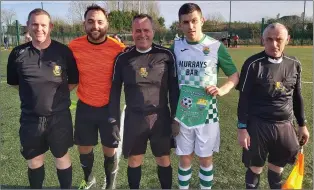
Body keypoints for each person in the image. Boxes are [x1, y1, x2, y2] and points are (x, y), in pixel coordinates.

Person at [6, 8, 78, 189]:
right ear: (28, 27)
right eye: (35, 25)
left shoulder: (63, 52)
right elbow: (15, 83)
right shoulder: (17, 54)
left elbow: (73, 82)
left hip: (59, 118)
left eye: (43, 25)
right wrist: (34, 96)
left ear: (50, 27)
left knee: (61, 157)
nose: (39, 29)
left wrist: (57, 98)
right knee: (34, 161)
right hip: (30, 118)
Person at [171, 3, 239, 189]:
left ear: (202, 20)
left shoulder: (215, 46)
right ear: (180, 24)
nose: (191, 26)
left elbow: (234, 75)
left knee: (205, 158)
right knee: (185, 158)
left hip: (207, 112)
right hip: (183, 111)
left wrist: (222, 90)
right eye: (186, 22)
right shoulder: (176, 46)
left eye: (194, 21)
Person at [108, 14, 179, 189]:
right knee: (134, 159)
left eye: (146, 30)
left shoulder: (166, 55)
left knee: (163, 158)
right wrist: (113, 120)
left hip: (160, 116)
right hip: (134, 118)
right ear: (132, 33)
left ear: (153, 32)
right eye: (137, 30)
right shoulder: (122, 59)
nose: (142, 34)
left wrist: (176, 117)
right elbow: (115, 90)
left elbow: (174, 90)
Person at [236, 23, 310, 189]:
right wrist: (242, 128)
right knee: (255, 169)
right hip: (258, 125)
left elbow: (297, 97)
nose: (274, 44)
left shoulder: (294, 64)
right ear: (263, 40)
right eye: (269, 39)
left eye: (279, 39)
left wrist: (302, 125)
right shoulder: (252, 64)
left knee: (277, 170)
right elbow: (244, 99)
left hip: (284, 126)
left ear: (287, 40)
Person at [68, 4, 125, 189]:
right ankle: (89, 178)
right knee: (84, 148)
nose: (95, 26)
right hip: (85, 105)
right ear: (84, 23)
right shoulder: (74, 46)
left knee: (109, 149)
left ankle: (110, 183)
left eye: (100, 21)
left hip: (109, 107)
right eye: (91, 21)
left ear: (107, 23)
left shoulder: (118, 48)